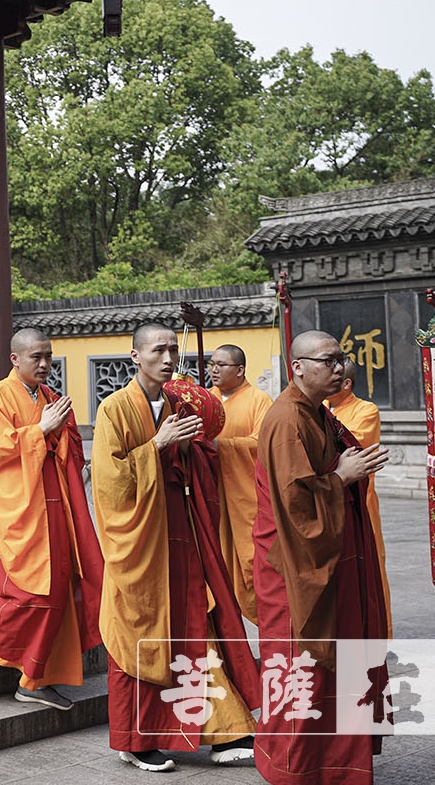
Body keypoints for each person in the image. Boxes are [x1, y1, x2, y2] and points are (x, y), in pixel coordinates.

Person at [92, 322, 258, 774]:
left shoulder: (177, 403)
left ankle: (226, 730)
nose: (168, 359)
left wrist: (192, 449)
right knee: (140, 636)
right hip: (141, 545)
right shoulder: (114, 409)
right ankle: (136, 739)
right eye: (157, 351)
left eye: (171, 350)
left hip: (180, 536)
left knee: (193, 625)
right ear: (134, 356)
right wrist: (157, 446)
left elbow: (199, 458)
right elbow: (109, 486)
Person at [253, 329, 390, 785]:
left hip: (328, 559)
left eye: (341, 360)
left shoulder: (318, 414)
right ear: (297, 367)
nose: (339, 368)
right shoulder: (286, 420)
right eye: (328, 360)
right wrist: (342, 478)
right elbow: (296, 505)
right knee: (303, 669)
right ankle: (294, 770)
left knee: (338, 665)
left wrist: (353, 467)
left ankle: (337, 768)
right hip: (297, 566)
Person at [0, 328, 104, 711]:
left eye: (48, 357)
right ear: (14, 359)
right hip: (20, 509)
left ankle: (33, 679)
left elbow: (70, 450)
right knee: (29, 592)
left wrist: (61, 431)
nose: (45, 365)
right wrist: (41, 430)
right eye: (36, 358)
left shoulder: (50, 398)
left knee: (59, 588)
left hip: (55, 505)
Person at [325, 359, 392, 632]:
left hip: (360, 502)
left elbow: (351, 448)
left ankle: (376, 632)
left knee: (368, 568)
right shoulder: (323, 408)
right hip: (329, 498)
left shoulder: (366, 410)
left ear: (347, 383)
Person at [209, 343, 273, 623]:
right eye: (211, 364)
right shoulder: (205, 400)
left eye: (221, 365)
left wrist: (218, 446)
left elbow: (262, 444)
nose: (213, 369)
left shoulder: (260, 400)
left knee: (253, 566)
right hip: (213, 496)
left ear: (240, 369)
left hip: (246, 498)